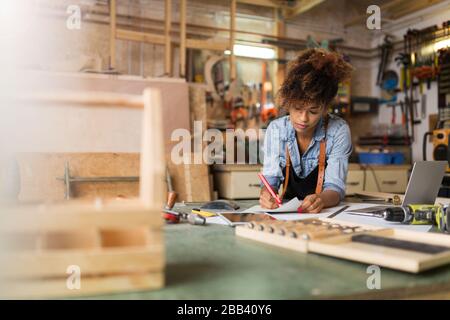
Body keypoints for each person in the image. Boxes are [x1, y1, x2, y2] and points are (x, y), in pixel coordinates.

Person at [260, 48, 353, 213]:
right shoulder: (276, 130)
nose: (303, 118)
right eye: (297, 108)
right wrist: (266, 193)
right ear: (288, 103)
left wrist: (321, 200)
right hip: (287, 214)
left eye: (313, 111)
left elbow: (335, 187)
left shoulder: (338, 131)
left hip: (324, 213)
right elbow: (270, 179)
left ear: (325, 108)